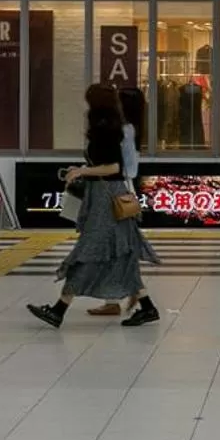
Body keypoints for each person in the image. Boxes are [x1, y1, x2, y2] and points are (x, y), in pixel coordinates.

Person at [29, 84, 160, 329]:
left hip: (106, 200)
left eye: (87, 101)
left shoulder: (107, 131)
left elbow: (113, 167)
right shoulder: (110, 129)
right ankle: (148, 308)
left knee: (87, 252)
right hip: (106, 197)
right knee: (121, 255)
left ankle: (58, 310)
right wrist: (82, 171)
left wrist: (82, 170)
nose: (84, 106)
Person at [88, 87, 148, 318]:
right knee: (118, 246)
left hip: (114, 190)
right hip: (123, 189)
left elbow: (123, 167)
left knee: (113, 246)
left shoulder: (122, 130)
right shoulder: (133, 128)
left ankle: (130, 295)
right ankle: (121, 297)